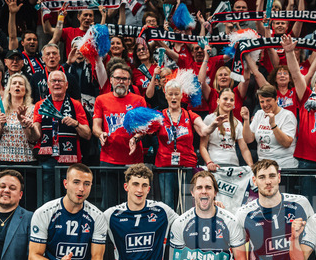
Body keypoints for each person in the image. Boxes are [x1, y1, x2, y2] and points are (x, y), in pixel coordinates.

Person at [29, 68, 90, 203]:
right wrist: (27, 126)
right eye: (53, 81)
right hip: (47, 158)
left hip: (71, 161)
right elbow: (35, 135)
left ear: (66, 85)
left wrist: (76, 124)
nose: (57, 83)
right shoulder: (40, 105)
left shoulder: (76, 105)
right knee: (47, 200)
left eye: (60, 81)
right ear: (48, 85)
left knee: (72, 199)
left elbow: (87, 134)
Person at [92, 63, 148, 208]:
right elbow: (95, 126)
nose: (121, 81)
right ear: (110, 80)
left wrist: (136, 137)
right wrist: (100, 134)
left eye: (125, 78)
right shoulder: (101, 100)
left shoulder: (139, 100)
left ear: (130, 81)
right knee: (108, 203)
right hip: (109, 158)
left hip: (133, 160)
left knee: (132, 202)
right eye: (117, 78)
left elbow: (145, 127)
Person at [152, 78, 211, 209]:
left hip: (187, 167)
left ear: (181, 95)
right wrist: (135, 138)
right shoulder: (159, 116)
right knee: (167, 206)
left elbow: (204, 130)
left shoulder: (190, 115)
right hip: (165, 167)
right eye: (170, 94)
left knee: (186, 205)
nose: (173, 97)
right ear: (165, 95)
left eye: (176, 94)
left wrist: (213, 125)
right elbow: (143, 131)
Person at [243, 84, 298, 170]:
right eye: (262, 102)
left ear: (276, 99)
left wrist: (273, 125)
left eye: (268, 100)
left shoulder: (287, 115)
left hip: (284, 167)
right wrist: (246, 120)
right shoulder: (259, 114)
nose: (265, 104)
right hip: (263, 167)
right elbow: (248, 139)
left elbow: (286, 143)